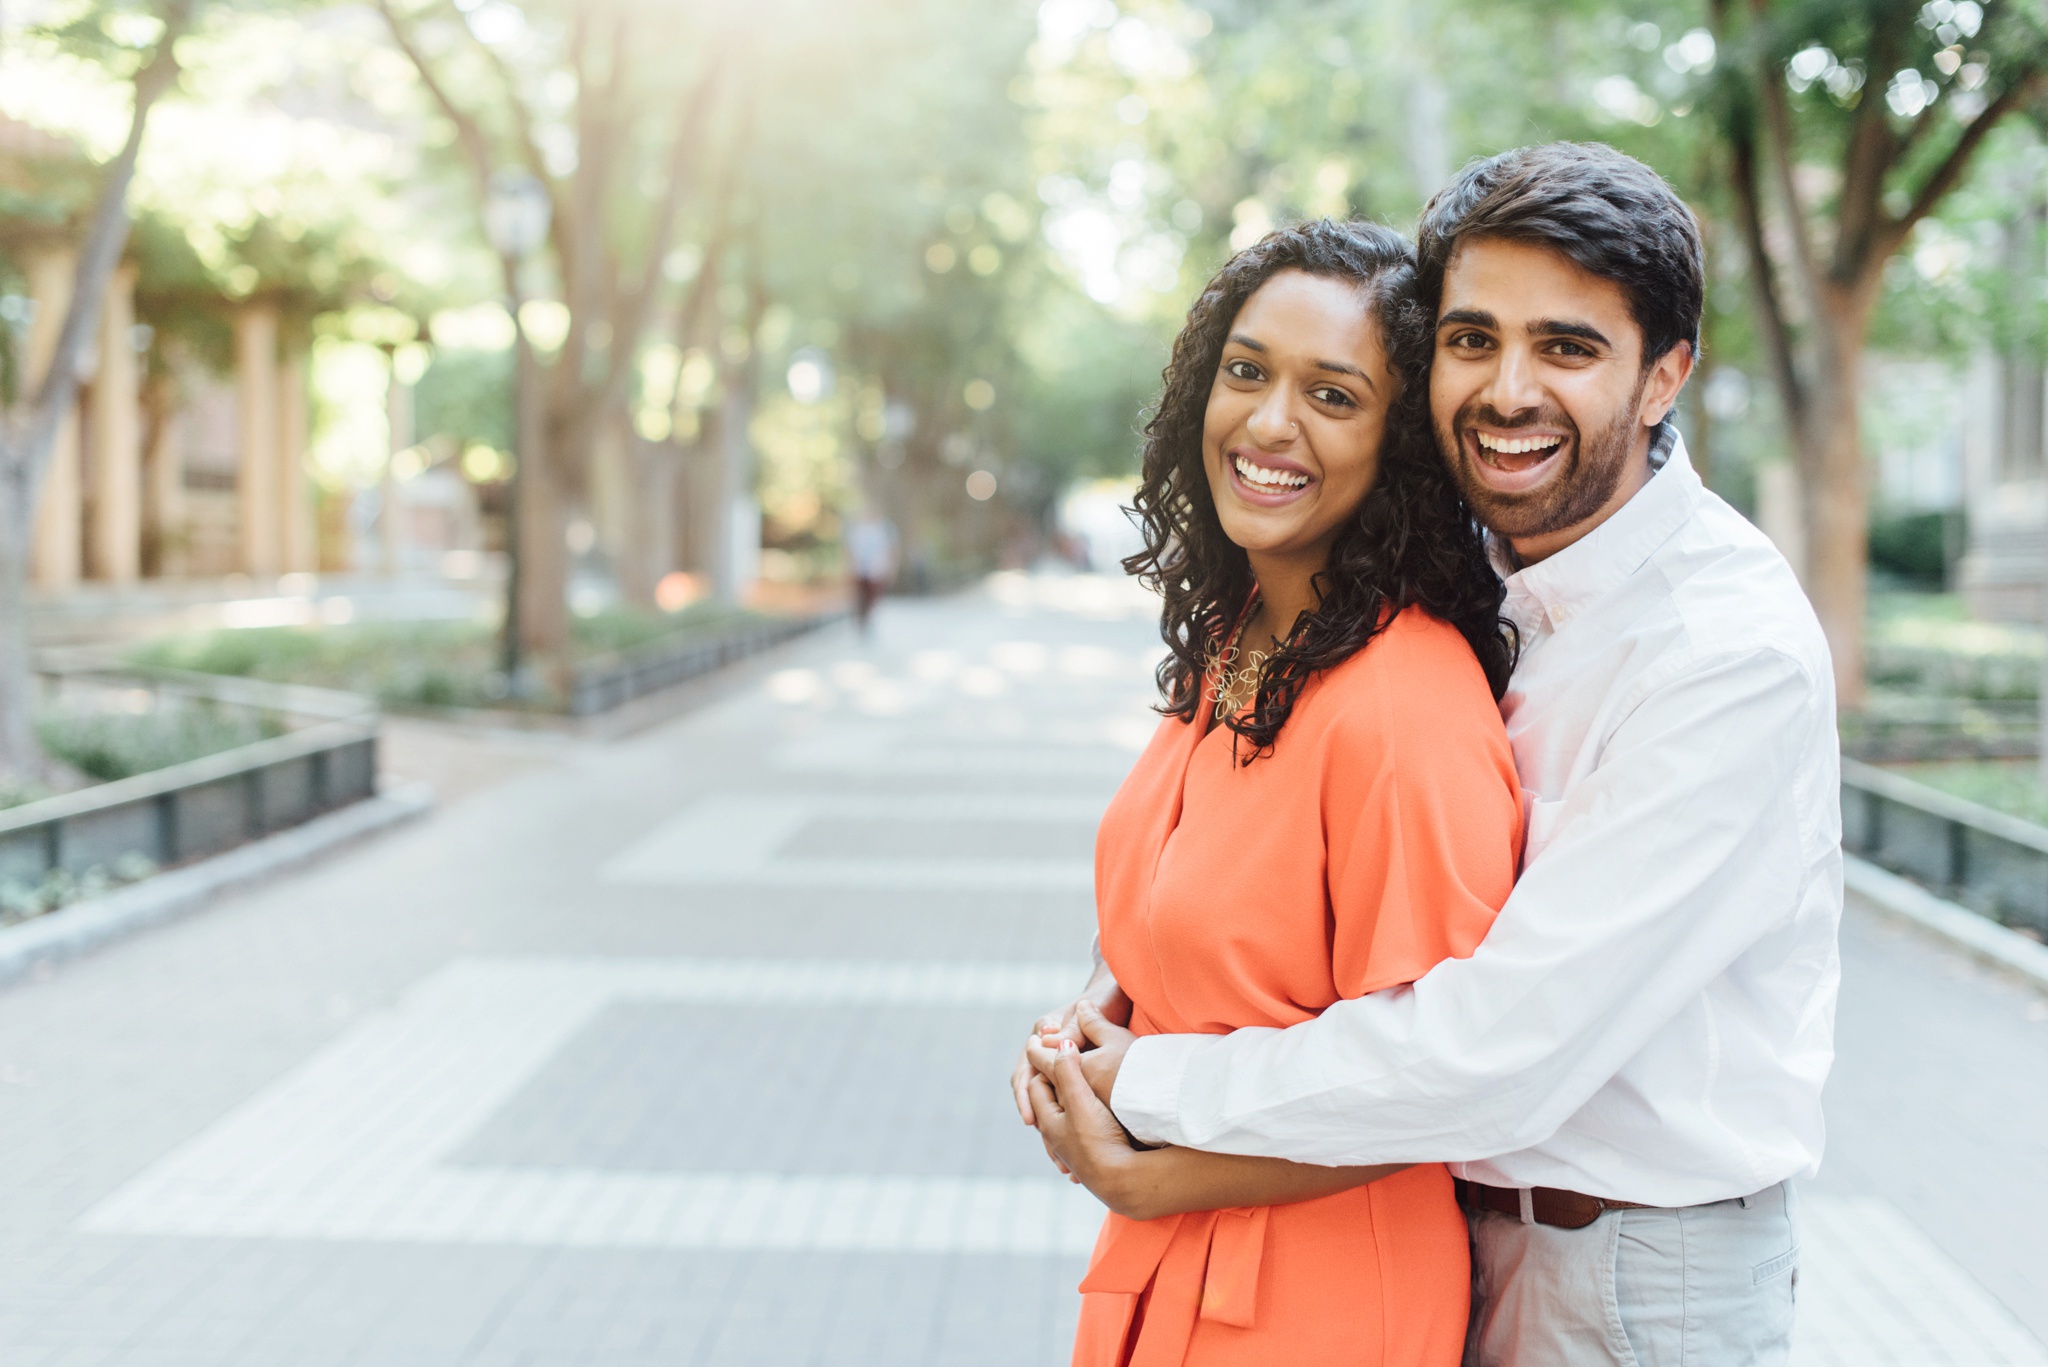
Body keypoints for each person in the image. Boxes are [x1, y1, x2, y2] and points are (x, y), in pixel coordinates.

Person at [1020, 143, 1840, 1367]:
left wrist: (1146, 1093)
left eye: (1565, 346)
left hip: (1631, 1276)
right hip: (1450, 1225)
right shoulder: (1468, 560)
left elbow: (1492, 1052)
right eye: (1471, 339)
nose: (1507, 391)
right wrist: (1103, 1012)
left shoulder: (1721, 655)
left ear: (1664, 373)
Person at [1024, 217, 1526, 1365]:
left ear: (1397, 439)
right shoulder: (1234, 634)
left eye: (1332, 395)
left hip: (1319, 1288)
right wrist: (1090, 1023)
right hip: (1175, 1254)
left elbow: (1438, 1084)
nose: (1267, 422)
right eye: (1245, 371)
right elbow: (1181, 917)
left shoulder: (1405, 700)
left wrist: (1145, 1168)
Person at [844, 504, 897, 634]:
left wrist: (891, 568)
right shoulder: (856, 528)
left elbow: (892, 549)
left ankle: (868, 620)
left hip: (877, 570)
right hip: (859, 569)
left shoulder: (885, 528)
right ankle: (861, 621)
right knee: (860, 597)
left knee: (873, 597)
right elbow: (849, 549)